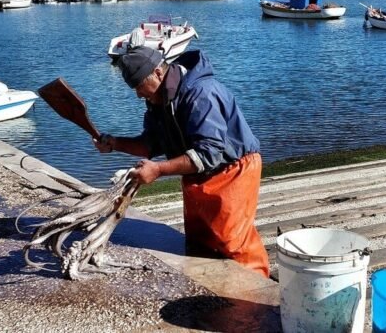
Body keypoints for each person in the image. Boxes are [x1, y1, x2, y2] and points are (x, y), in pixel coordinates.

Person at [93, 46, 270, 278]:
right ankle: (213, 288)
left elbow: (209, 153)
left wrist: (158, 170)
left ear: (158, 72)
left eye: (139, 86)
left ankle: (257, 291)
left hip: (233, 170)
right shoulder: (157, 98)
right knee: (200, 241)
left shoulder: (201, 93)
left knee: (233, 242)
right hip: (197, 173)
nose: (138, 94)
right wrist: (115, 143)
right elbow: (149, 145)